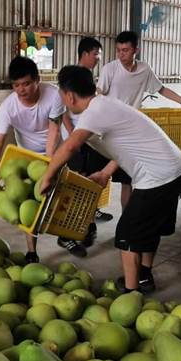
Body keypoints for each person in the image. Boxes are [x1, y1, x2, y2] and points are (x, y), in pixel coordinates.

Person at [39, 65, 181, 293]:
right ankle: (144, 276)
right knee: (150, 227)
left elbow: (70, 145)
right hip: (172, 168)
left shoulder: (94, 111)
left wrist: (47, 177)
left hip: (158, 175)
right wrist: (106, 172)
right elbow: (127, 144)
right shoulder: (105, 104)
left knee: (127, 235)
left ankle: (131, 293)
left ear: (68, 95)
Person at [97, 30, 181, 208]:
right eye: (118, 50)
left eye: (125, 50)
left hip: (132, 130)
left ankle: (127, 219)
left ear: (136, 50)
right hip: (111, 130)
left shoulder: (144, 69)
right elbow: (99, 93)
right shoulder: (109, 69)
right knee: (101, 175)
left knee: (129, 180)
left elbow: (161, 89)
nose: (121, 54)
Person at [0, 56, 64, 263]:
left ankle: (66, 235)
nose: (22, 90)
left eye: (27, 83)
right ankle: (32, 251)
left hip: (54, 151)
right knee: (29, 203)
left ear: (37, 80)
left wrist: (50, 158)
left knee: (59, 198)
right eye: (16, 85)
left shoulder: (54, 95)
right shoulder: (8, 107)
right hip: (26, 156)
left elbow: (54, 129)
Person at [57, 36, 111, 258]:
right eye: (96, 53)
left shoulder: (89, 77)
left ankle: (86, 227)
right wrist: (74, 138)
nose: (98, 58)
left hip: (90, 140)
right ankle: (67, 233)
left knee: (90, 184)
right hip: (78, 142)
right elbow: (61, 113)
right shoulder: (71, 77)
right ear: (85, 54)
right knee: (77, 186)